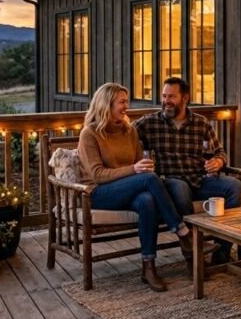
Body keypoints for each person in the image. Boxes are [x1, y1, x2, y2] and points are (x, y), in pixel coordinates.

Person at [77, 83, 209, 292]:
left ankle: (148, 268)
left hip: (128, 190)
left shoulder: (130, 131)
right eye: (122, 102)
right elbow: (97, 175)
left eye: (126, 102)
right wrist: (135, 169)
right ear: (107, 103)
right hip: (97, 193)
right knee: (149, 179)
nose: (126, 106)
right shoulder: (90, 133)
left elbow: (140, 165)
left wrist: (140, 168)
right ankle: (183, 232)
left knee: (147, 200)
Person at [135, 76, 241, 267]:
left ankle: (222, 250)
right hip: (171, 180)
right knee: (180, 190)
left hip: (200, 179)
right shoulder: (149, 123)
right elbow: (123, 135)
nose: (166, 101)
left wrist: (218, 161)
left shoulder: (201, 123)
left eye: (171, 96)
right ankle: (192, 254)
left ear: (185, 98)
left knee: (234, 185)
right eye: (163, 96)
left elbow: (219, 151)